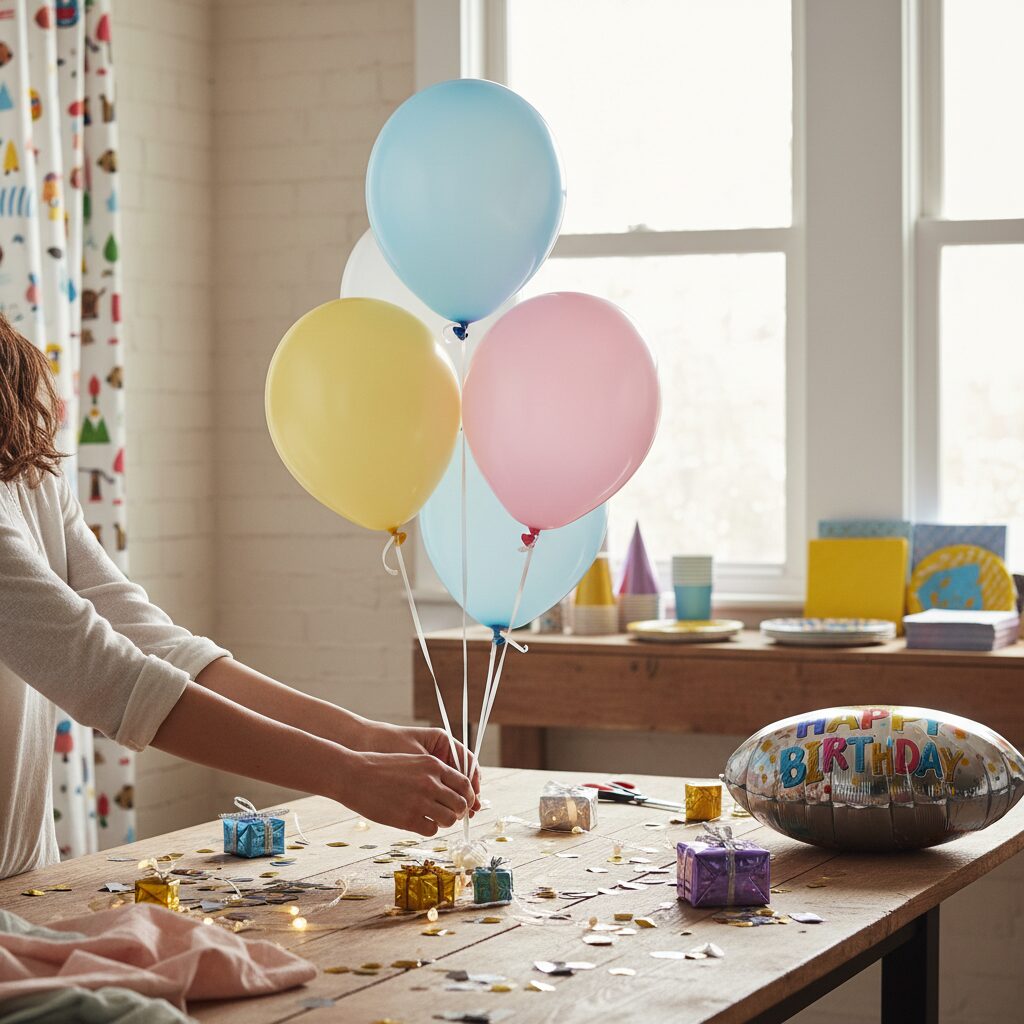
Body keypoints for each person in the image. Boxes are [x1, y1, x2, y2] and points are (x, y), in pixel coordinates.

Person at [0, 317, 478, 879]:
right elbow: (113, 678)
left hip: (27, 881)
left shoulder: (28, 476)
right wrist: (348, 773)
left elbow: (157, 644)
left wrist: (365, 739)